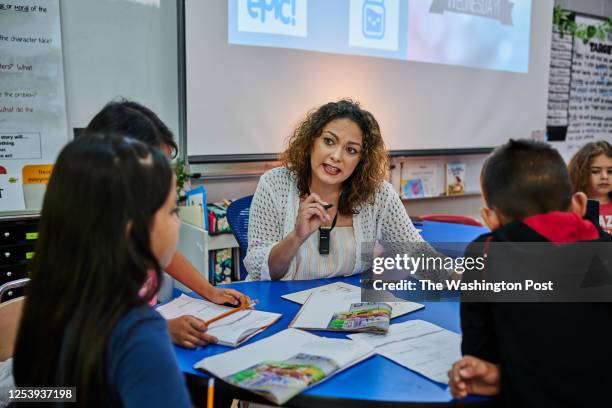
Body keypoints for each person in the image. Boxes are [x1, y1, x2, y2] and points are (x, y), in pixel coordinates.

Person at [13, 133, 191, 406]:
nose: (178, 223)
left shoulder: (51, 303)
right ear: (133, 232)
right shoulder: (139, 333)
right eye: (172, 211)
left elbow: (34, 393)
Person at [448, 139, 612, 407]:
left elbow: (479, 358)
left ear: (490, 219)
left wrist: (498, 374)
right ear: (580, 204)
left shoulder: (485, 252)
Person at [87, 100, 249, 348]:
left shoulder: (139, 224)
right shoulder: (93, 243)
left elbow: (167, 255)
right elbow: (94, 325)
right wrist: (162, 328)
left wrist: (210, 291)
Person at [245, 99, 449, 281]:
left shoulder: (378, 194)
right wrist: (297, 236)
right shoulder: (275, 184)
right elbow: (258, 269)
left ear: (361, 160)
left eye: (351, 150)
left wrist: (469, 280)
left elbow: (416, 254)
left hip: (345, 312)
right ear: (311, 142)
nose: (336, 156)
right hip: (280, 310)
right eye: (328, 141)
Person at [568, 141, 612, 234]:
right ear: (580, 172)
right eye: (595, 171)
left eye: (610, 171)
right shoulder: (571, 206)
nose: (604, 176)